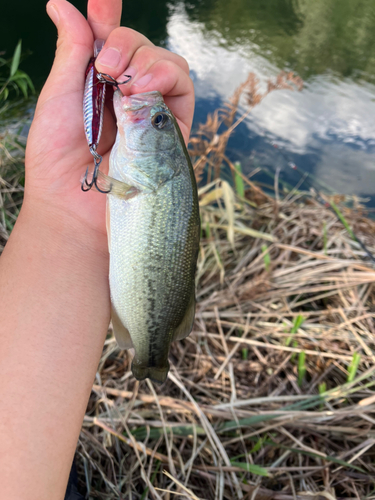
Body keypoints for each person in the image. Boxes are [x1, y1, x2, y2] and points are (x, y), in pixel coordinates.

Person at [0, 0, 194, 498]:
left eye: (158, 128)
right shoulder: (135, 177)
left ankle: (150, 352)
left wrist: (62, 221)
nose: (151, 115)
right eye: (159, 124)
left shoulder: (129, 180)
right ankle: (151, 354)